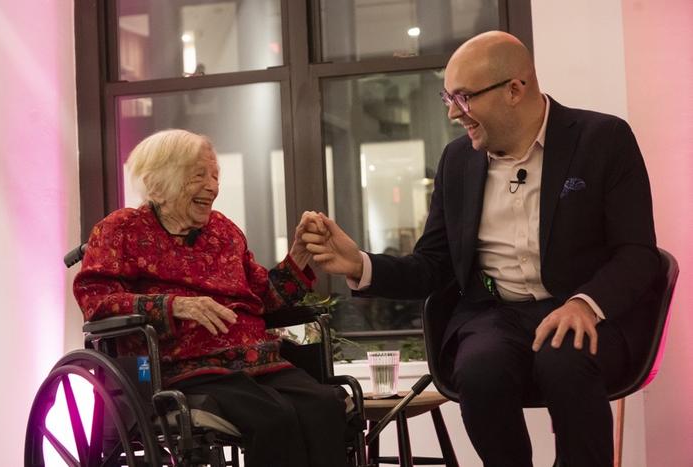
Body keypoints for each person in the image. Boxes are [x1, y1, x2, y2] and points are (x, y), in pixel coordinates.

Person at [303, 31, 659, 467]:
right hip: (497, 315)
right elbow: (433, 265)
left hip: (583, 310)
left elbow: (638, 254)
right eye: (448, 98)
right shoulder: (458, 161)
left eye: (465, 97)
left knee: (563, 361)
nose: (454, 112)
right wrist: (360, 264)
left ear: (515, 89)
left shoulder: (602, 140)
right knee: (479, 370)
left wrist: (586, 304)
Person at [73, 129, 347, 467]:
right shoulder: (121, 230)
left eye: (215, 174)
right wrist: (175, 306)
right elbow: (96, 300)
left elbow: (265, 299)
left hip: (256, 360)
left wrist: (299, 256)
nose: (213, 186)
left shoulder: (225, 231)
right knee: (273, 419)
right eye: (199, 175)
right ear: (158, 184)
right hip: (181, 366)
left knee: (326, 405)